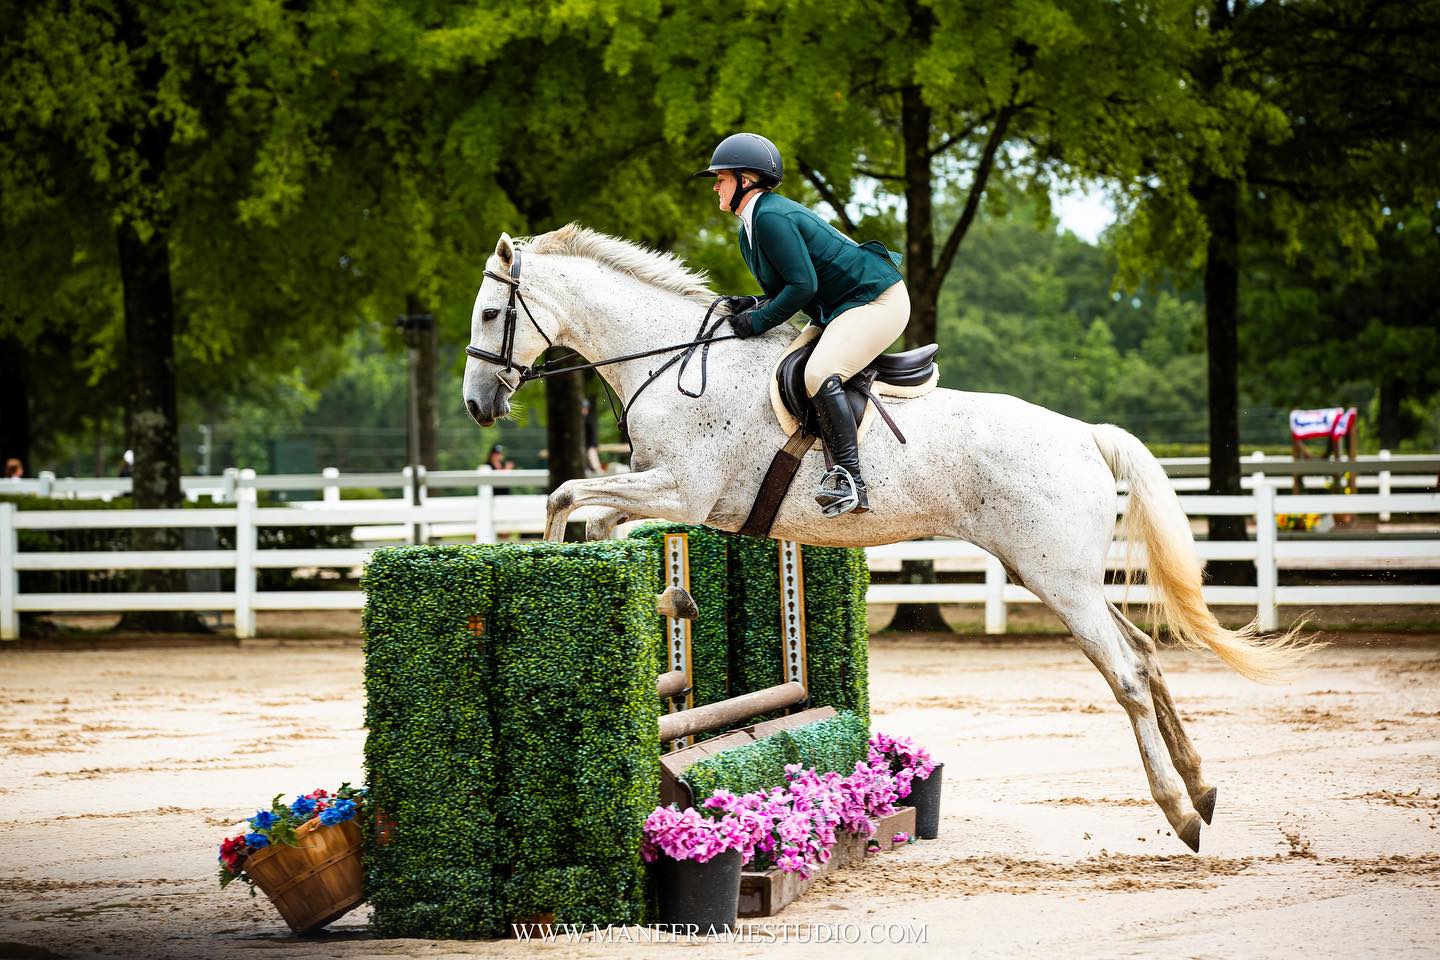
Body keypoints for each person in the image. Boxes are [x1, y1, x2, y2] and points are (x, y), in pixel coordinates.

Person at [694, 132, 909, 517]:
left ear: (745, 180)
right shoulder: (750, 227)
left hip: (877, 301)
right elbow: (788, 289)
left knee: (818, 373)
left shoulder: (771, 217)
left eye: (721, 178)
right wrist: (752, 303)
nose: (715, 186)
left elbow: (802, 287)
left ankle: (850, 479)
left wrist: (756, 322)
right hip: (839, 308)